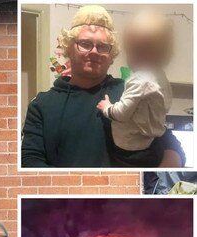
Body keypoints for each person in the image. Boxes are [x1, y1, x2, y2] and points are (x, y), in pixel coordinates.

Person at [21, 5, 184, 168]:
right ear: (69, 48)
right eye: (85, 44)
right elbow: (30, 162)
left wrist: (167, 167)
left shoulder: (130, 92)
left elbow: (167, 139)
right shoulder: (41, 105)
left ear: (111, 55)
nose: (94, 52)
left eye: (103, 46)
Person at [96, 11, 173, 167]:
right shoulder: (160, 77)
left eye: (102, 47)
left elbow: (121, 114)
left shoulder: (139, 80)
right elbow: (166, 106)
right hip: (151, 144)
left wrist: (107, 108)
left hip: (129, 148)